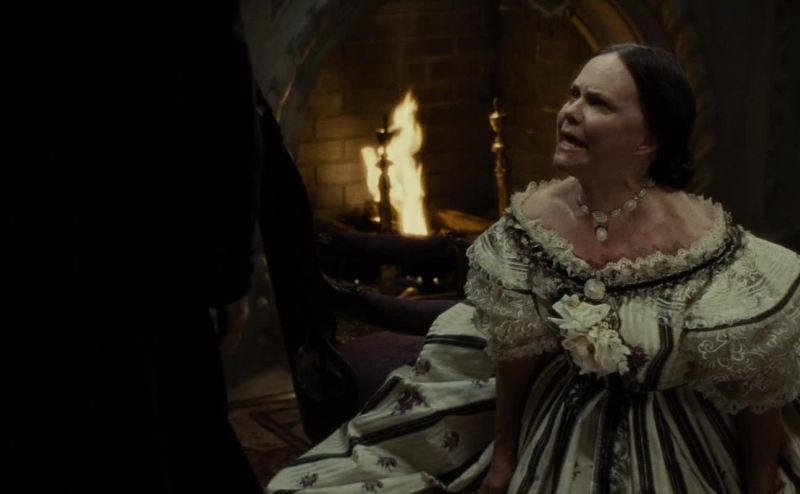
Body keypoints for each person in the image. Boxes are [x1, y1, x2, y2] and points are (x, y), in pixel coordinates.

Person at [266, 44, 800, 493]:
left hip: (674, 436)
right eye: (572, 93)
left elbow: (756, 392)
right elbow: (517, 351)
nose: (569, 112)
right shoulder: (537, 221)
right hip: (561, 421)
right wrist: (504, 456)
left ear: (647, 141)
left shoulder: (708, 247)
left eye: (597, 103)